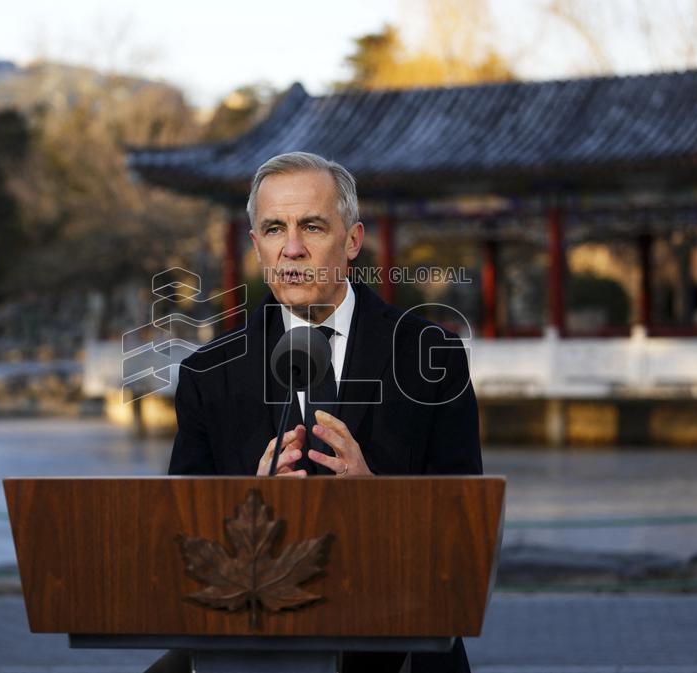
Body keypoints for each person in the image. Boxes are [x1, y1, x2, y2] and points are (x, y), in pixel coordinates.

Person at [167, 151, 482, 673]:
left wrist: (377, 503)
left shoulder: (431, 355)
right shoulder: (209, 371)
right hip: (251, 640)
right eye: (273, 229)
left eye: (311, 226)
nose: (292, 248)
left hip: (398, 637)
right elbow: (178, 534)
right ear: (256, 246)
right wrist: (248, 503)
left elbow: (468, 522)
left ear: (352, 240)